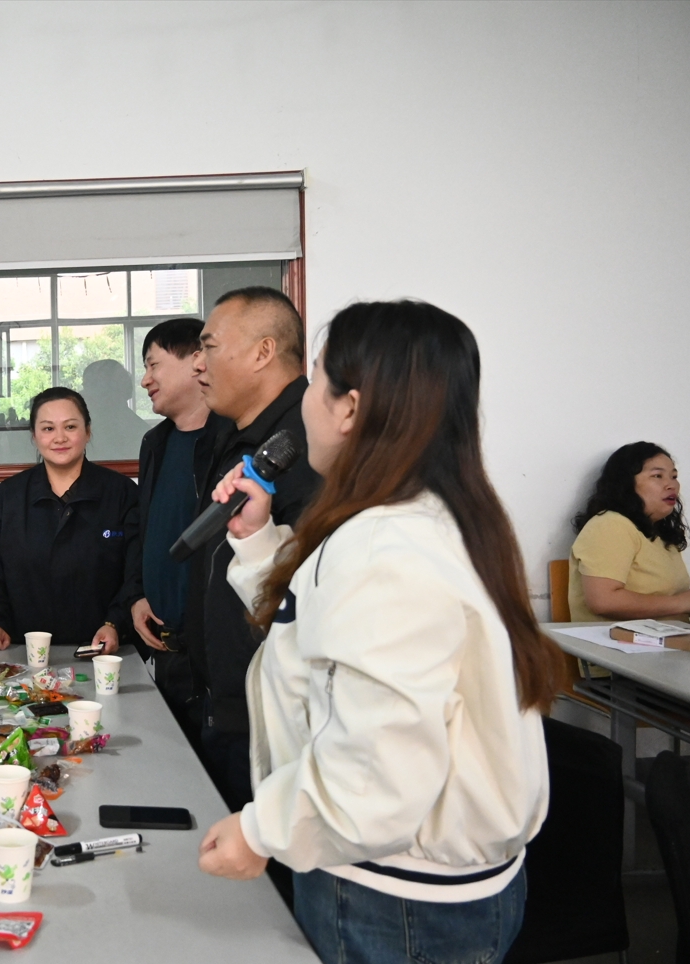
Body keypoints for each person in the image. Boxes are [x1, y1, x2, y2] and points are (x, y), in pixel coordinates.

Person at [198, 300, 564, 964]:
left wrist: (260, 831)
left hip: (391, 902)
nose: (304, 398)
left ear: (348, 408)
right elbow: (316, 635)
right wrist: (256, 542)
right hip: (422, 888)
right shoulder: (425, 518)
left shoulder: (385, 547)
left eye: (315, 378)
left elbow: (376, 771)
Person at [188, 287, 322, 814]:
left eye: (209, 346)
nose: (198, 364)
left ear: (264, 351)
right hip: (225, 701)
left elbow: (305, 599)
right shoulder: (231, 434)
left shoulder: (306, 449)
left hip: (273, 719)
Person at [0, 387, 140, 654]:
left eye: (70, 427)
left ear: (88, 431)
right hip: (22, 651)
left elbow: (137, 571)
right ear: (34, 435)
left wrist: (115, 623)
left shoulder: (122, 493)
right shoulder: (6, 498)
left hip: (104, 648)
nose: (60, 438)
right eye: (48, 428)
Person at [125, 318, 226, 747]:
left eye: (153, 365)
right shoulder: (156, 443)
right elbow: (147, 531)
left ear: (197, 360)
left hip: (216, 654)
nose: (145, 380)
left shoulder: (230, 440)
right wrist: (137, 595)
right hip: (167, 647)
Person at [568, 442, 690, 620]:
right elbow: (603, 601)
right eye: (657, 476)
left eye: (674, 476)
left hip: (664, 636)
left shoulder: (658, 531)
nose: (671, 485)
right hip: (614, 637)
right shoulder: (610, 524)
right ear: (626, 484)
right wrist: (683, 602)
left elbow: (663, 604)